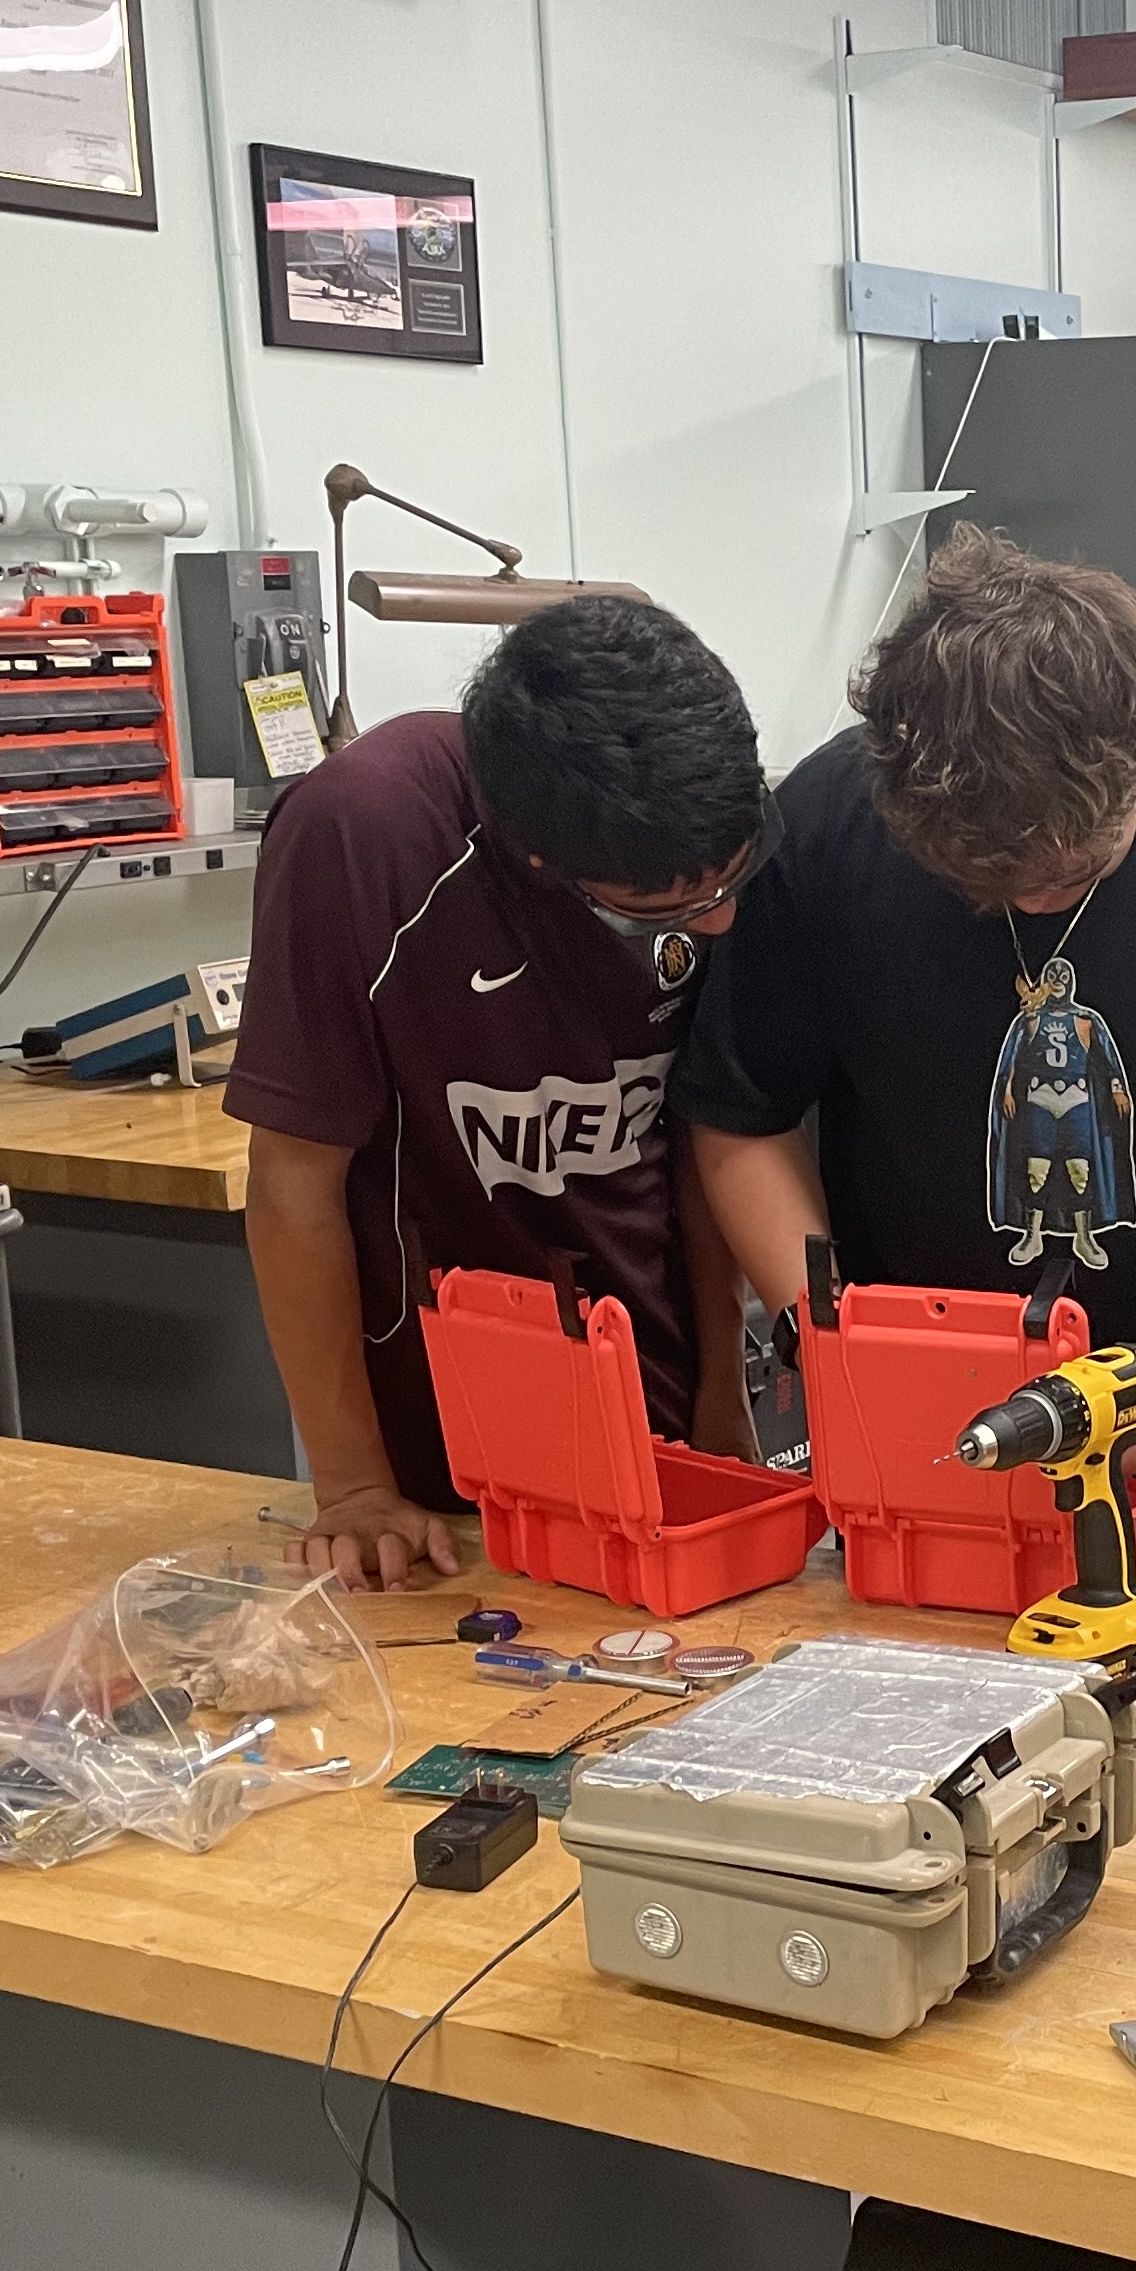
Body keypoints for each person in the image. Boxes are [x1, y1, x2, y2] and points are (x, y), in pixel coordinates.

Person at [675, 530, 1136, 1546]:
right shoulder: (822, 821)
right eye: (977, 883)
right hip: (920, 1438)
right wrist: (832, 1336)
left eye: (1066, 869)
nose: (1029, 898)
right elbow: (742, 1118)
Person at [228, 598, 768, 1592]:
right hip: (438, 1450)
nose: (721, 920)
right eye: (667, 912)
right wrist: (350, 1488)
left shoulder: (693, 826)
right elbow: (293, 1183)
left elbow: (701, 1138)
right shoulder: (367, 833)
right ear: (536, 859)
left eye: (732, 880)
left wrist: (721, 1397)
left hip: (655, 1394)